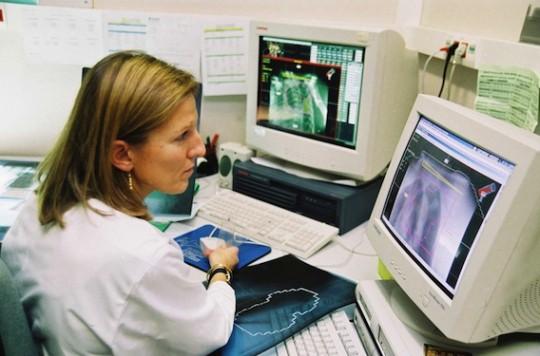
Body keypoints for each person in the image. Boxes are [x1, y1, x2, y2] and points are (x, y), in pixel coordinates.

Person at [2, 51, 239, 355]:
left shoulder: (40, 202)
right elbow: (211, 331)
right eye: (182, 135)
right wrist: (221, 269)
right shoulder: (142, 256)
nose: (199, 148)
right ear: (123, 155)